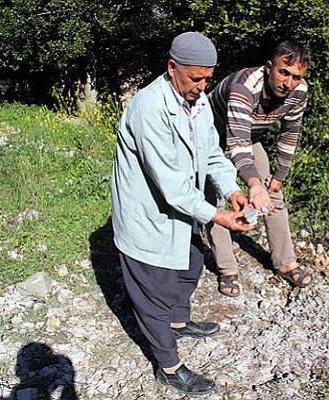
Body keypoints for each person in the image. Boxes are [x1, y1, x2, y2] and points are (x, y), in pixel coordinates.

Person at [110, 31, 253, 395]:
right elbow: (171, 184)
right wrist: (217, 216)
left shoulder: (199, 102)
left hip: (179, 213)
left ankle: (179, 322)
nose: (204, 86)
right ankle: (169, 367)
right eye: (196, 78)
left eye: (209, 78)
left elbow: (210, 154)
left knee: (190, 263)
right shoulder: (148, 108)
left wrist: (232, 189)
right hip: (147, 215)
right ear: (172, 68)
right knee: (153, 295)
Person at [206, 41, 313, 297]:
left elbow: (290, 134)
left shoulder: (299, 92)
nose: (288, 82)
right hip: (212, 135)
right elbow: (236, 144)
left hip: (248, 137)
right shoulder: (244, 87)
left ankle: (285, 261)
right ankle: (227, 269)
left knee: (272, 194)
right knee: (219, 199)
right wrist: (253, 183)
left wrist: (279, 176)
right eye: (283, 72)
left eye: (296, 76)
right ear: (269, 68)